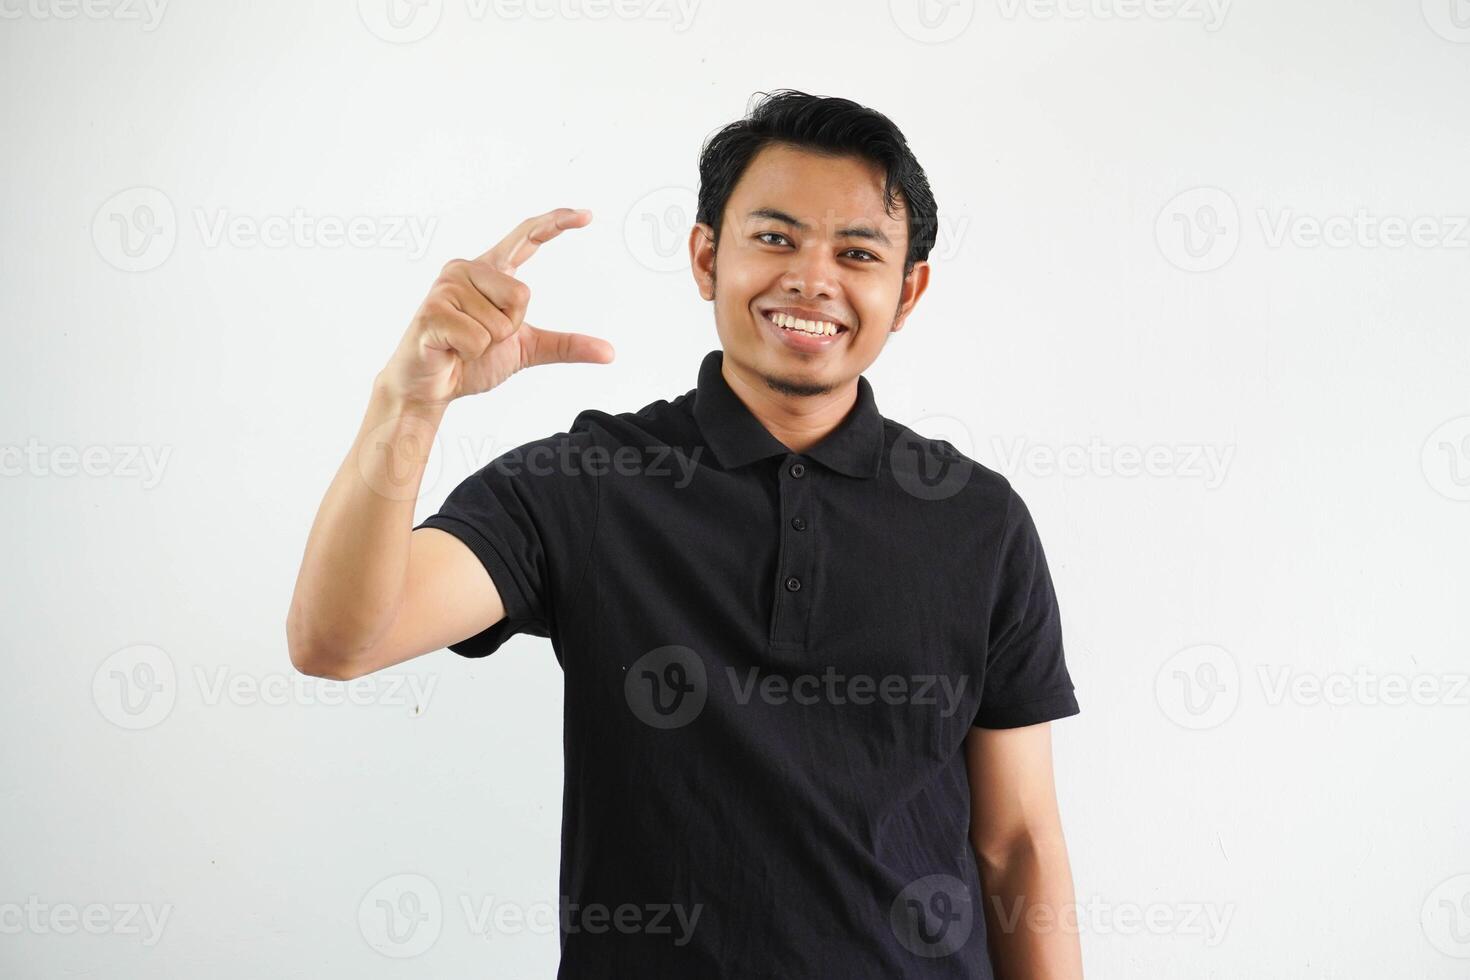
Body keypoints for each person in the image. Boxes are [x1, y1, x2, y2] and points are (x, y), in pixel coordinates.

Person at [287, 89, 1084, 979]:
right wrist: (409, 401)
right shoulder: (584, 483)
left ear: (909, 291)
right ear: (707, 256)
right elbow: (338, 640)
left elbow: (1016, 844)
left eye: (857, 252)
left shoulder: (978, 520)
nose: (811, 279)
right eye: (774, 238)